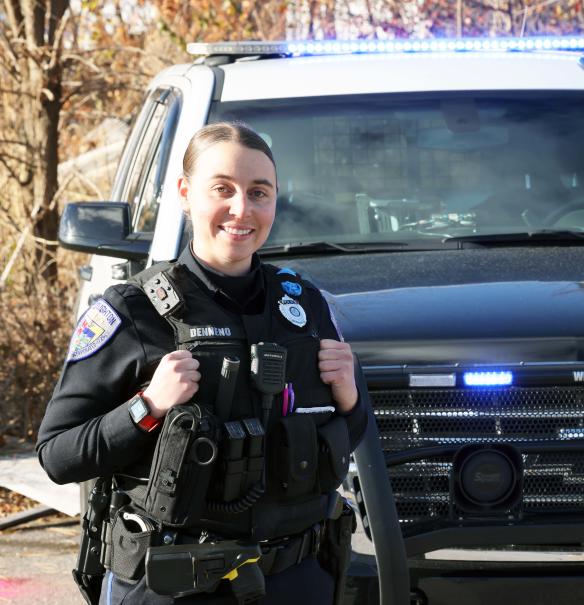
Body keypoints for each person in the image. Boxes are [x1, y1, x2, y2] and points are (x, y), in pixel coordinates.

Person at [37, 122, 368, 604]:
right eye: (223, 189)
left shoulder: (305, 308)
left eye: (259, 192)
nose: (242, 209)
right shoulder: (133, 311)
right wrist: (147, 407)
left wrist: (352, 400)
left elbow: (343, 439)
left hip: (297, 578)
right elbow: (57, 455)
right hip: (173, 586)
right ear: (185, 194)